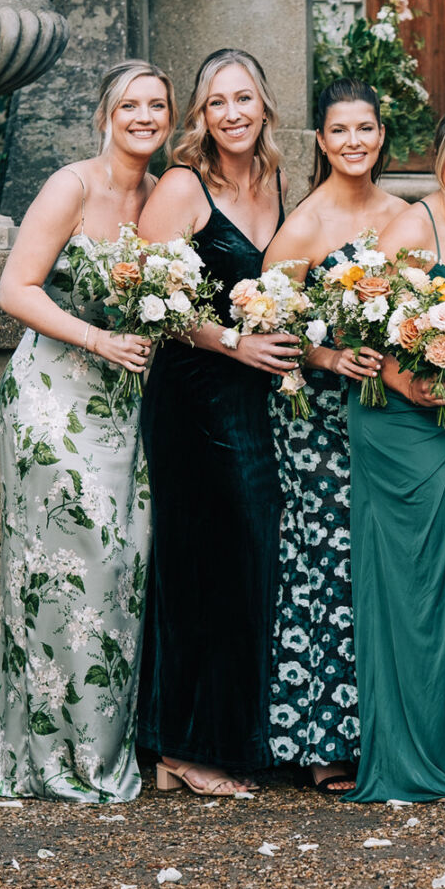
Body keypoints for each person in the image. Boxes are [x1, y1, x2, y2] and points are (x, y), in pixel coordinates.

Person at [0, 60, 168, 802]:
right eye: (132, 104)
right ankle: (44, 760)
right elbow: (13, 288)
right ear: (105, 114)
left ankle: (99, 753)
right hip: (52, 401)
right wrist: (98, 341)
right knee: (61, 572)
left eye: (158, 104)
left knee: (119, 568)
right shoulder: (72, 186)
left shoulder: (160, 197)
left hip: (120, 406)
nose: (145, 115)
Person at [134, 48, 297, 797]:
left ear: (264, 105)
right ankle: (182, 744)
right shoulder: (181, 186)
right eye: (216, 103)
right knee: (200, 561)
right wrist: (235, 341)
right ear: (200, 117)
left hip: (257, 391)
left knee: (249, 554)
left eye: (244, 99)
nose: (232, 114)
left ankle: (236, 733)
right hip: (194, 391)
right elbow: (148, 298)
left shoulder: (275, 181)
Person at [345, 105, 445, 803]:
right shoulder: (418, 223)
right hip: (402, 427)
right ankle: (406, 759)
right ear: (438, 158)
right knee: (413, 585)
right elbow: (359, 311)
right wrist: (397, 376)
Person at [260, 79, 407, 795]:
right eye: (340, 130)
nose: (354, 141)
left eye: (366, 129)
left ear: (382, 136)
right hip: (316, 416)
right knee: (327, 561)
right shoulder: (304, 227)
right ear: (321, 141)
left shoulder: (406, 215)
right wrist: (328, 357)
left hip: (390, 410)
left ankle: (387, 726)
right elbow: (267, 321)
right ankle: (322, 735)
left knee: (381, 561)